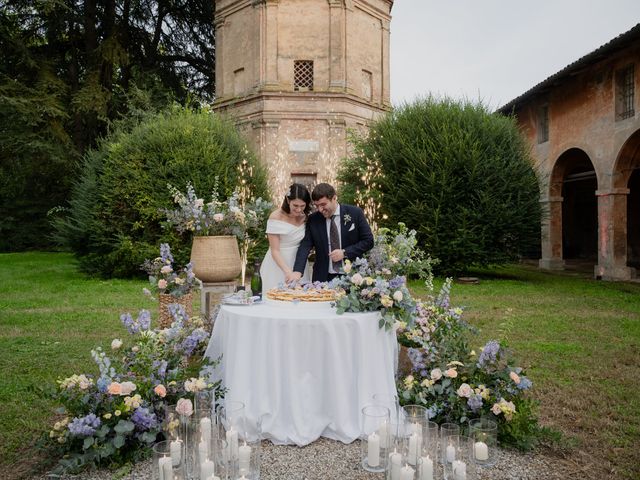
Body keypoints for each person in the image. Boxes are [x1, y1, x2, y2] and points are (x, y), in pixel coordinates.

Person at [287, 183, 374, 283]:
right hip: (322, 278)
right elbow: (305, 245)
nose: (320, 209)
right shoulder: (313, 219)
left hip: (353, 277)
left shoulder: (355, 213)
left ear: (334, 198)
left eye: (323, 205)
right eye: (317, 206)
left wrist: (345, 252)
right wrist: (297, 271)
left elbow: (369, 241)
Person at [260, 183, 312, 295]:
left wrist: (296, 272)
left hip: (299, 262)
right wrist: (288, 272)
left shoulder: (306, 217)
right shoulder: (276, 217)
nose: (299, 210)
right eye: (295, 205)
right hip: (278, 263)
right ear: (288, 201)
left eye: (302, 206)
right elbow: (275, 250)